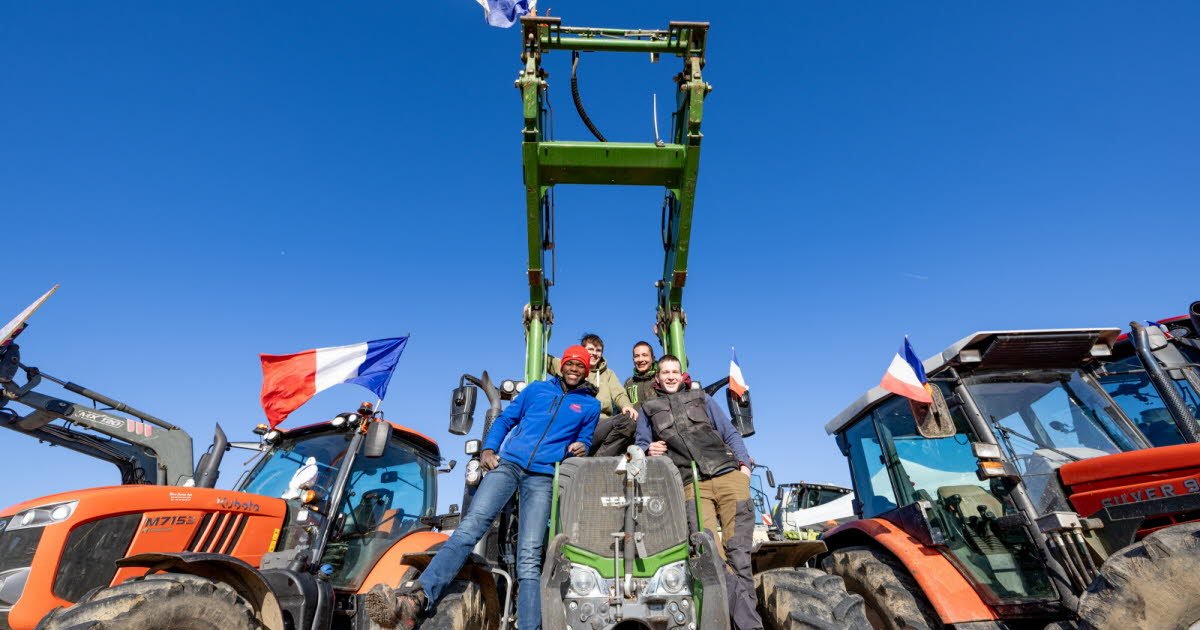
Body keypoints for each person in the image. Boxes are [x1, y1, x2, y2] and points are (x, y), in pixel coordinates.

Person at [366, 346, 601, 630]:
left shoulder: (590, 405)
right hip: (509, 464)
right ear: (562, 366)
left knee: (529, 556)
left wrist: (582, 446)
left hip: (541, 477)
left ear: (586, 370)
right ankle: (417, 599)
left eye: (580, 365)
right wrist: (488, 449)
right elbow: (506, 419)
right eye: (570, 363)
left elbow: (585, 439)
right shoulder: (537, 390)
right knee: (469, 528)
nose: (574, 369)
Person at [635, 355, 763, 630]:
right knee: (709, 555)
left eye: (675, 372)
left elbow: (729, 432)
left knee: (739, 556)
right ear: (657, 377)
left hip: (728, 476)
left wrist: (743, 466)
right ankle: (750, 625)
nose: (670, 376)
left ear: (682, 375)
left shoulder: (701, 398)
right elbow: (640, 442)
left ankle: (744, 625)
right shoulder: (648, 408)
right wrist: (648, 449)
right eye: (665, 372)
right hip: (692, 485)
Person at [547, 333, 638, 455]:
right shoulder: (571, 366)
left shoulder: (608, 374)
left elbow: (619, 394)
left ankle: (598, 459)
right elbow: (544, 358)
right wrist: (534, 329)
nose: (594, 353)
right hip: (576, 421)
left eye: (598, 350)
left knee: (629, 419)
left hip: (599, 423)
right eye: (590, 349)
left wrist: (626, 405)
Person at [624, 340, 658, 407]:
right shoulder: (629, 383)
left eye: (644, 355)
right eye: (636, 356)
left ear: (653, 358)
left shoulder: (661, 378)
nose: (640, 359)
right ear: (633, 360)